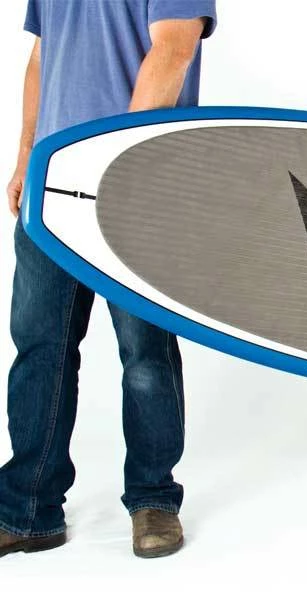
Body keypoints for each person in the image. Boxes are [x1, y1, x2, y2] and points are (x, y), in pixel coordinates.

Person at [1, 0, 217, 559]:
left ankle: (153, 499)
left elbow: (174, 49)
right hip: (53, 185)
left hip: (136, 189)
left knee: (145, 351)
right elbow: (42, 56)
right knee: (39, 348)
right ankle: (27, 511)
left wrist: (111, 163)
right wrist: (27, 156)